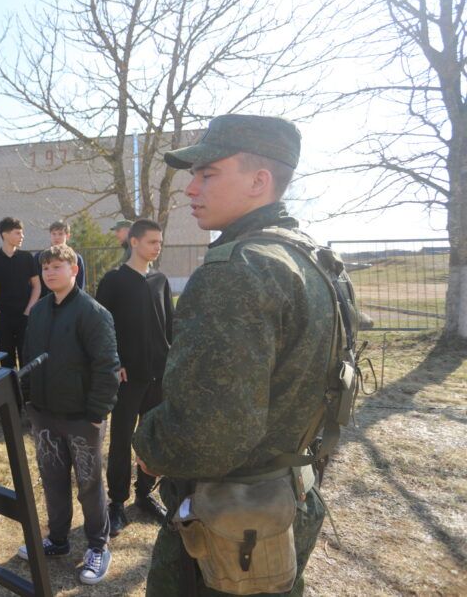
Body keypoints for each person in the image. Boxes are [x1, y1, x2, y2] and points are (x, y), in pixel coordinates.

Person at [134, 114, 332, 595]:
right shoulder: (312, 259)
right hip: (288, 496)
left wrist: (149, 447)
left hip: (231, 516)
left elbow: (209, 433)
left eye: (208, 174)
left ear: (259, 181)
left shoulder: (238, 269)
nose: (190, 189)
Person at [17, 245, 119, 585]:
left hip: (81, 417)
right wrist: (29, 400)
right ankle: (57, 540)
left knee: (89, 484)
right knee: (52, 480)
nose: (49, 272)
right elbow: (29, 355)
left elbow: (107, 367)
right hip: (45, 415)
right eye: (45, 267)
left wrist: (96, 413)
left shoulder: (93, 313)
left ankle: (98, 546)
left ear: (74, 270)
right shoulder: (40, 310)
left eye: (57, 266)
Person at [96, 219, 174, 535]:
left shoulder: (160, 280)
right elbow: (101, 327)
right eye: (153, 242)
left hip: (159, 376)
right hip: (128, 378)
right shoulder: (114, 280)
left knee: (152, 437)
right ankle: (116, 502)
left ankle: (145, 494)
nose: (158, 247)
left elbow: (169, 325)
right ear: (134, 242)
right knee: (121, 440)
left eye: (160, 242)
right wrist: (114, 362)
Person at [0, 217, 40, 368]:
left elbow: (37, 286)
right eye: (18, 233)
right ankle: (10, 390)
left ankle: (27, 390)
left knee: (27, 356)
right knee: (6, 360)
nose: (22, 236)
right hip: (3, 318)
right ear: (5, 234)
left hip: (24, 317)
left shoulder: (27, 258)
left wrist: (28, 310)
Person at [36, 220, 86, 297]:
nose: (57, 237)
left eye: (60, 234)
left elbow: (80, 284)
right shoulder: (40, 256)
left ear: (68, 236)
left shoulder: (76, 258)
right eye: (54, 234)